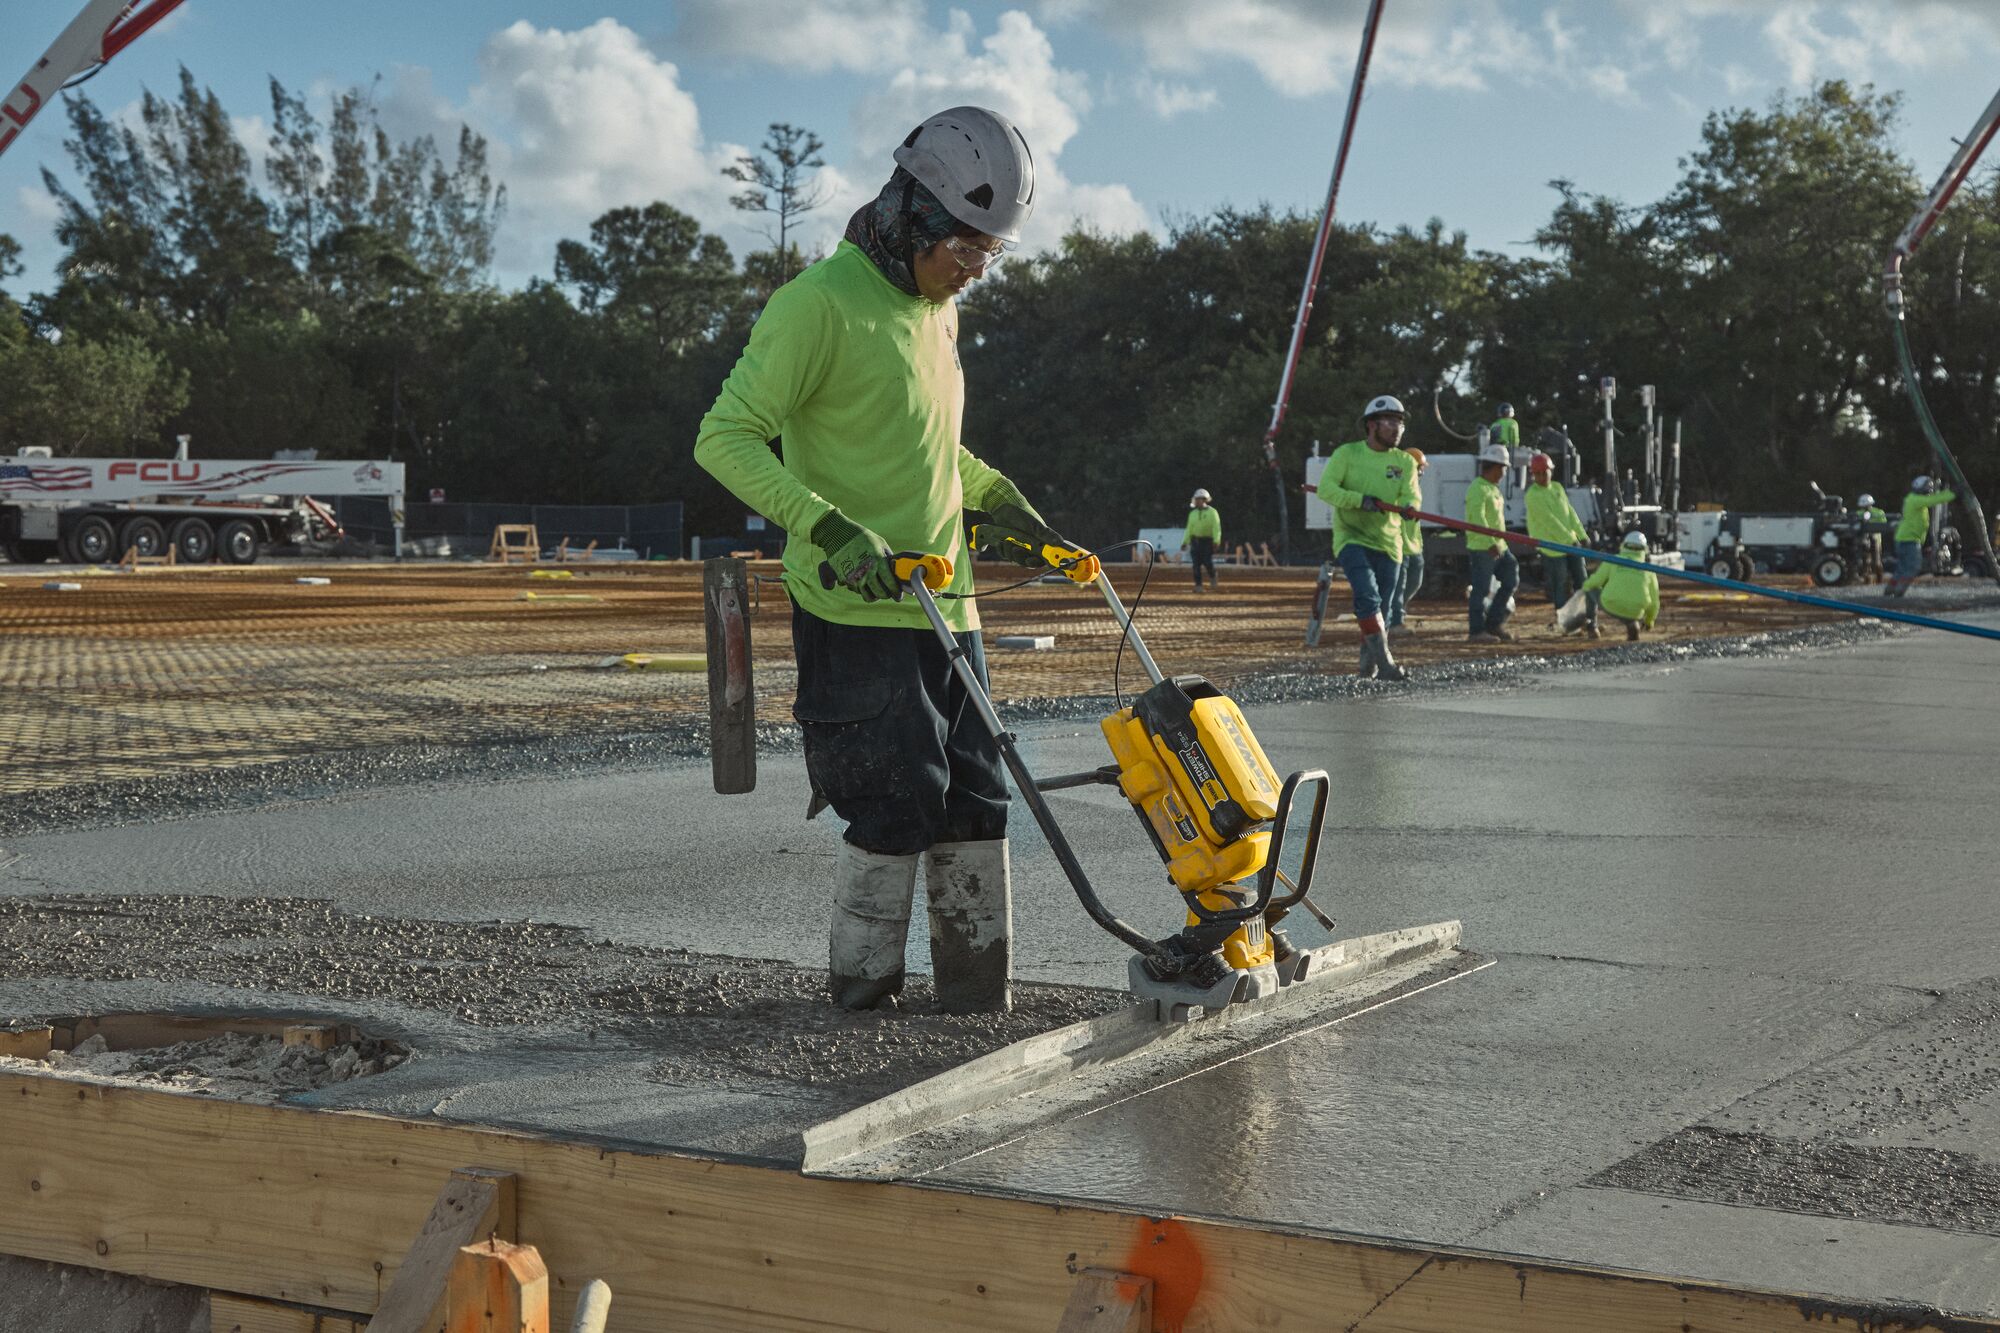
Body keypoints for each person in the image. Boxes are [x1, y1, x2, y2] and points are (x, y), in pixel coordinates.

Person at [694, 105, 1071, 1015]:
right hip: (857, 610)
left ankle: (976, 1005)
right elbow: (725, 437)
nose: (975, 271)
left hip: (954, 608)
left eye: (990, 254)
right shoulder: (816, 307)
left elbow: (934, 450)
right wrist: (824, 527)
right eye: (967, 249)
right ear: (915, 213)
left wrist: (1000, 500)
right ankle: (860, 1009)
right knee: (894, 807)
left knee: (979, 804)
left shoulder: (936, 312)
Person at [1320, 394, 1417, 681]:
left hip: (1389, 543)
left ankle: (1367, 668)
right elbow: (1326, 489)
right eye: (1389, 421)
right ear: (1371, 425)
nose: (1396, 428)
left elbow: (1411, 493)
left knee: (1382, 610)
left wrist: (1411, 507)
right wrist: (1359, 500)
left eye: (1399, 422)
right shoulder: (1346, 454)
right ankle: (1386, 664)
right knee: (1367, 596)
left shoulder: (1405, 462)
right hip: (1351, 537)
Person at [1524, 451, 1597, 638]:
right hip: (1553, 548)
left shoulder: (1557, 488)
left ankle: (1591, 622)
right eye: (1538, 474)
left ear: (1550, 472)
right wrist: (1570, 540)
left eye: (1544, 472)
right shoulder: (1533, 495)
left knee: (1584, 582)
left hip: (1570, 543)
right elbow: (1549, 521)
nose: (1542, 477)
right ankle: (1568, 625)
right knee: (1561, 585)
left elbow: (1569, 513)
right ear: (1533, 475)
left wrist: (1581, 534)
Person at [1465, 441, 1518, 643]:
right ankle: (1476, 631)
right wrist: (1489, 542)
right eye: (1503, 468)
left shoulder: (1493, 489)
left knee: (1511, 580)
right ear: (1494, 467)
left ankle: (1493, 623)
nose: (1504, 473)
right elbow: (1477, 519)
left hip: (1499, 547)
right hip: (1483, 548)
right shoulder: (1477, 488)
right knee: (1481, 589)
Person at [1582, 530, 1660, 640]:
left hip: (1611, 604)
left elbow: (1596, 581)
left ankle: (1591, 627)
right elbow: (1654, 602)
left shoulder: (1613, 560)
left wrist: (1585, 586)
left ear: (1624, 545)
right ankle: (1631, 624)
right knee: (1630, 608)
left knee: (1590, 589)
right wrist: (1649, 621)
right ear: (1644, 549)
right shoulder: (1649, 570)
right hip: (1636, 611)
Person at [1886, 474, 1956, 597]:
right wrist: (1952, 494)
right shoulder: (1916, 500)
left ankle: (1890, 591)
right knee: (1913, 567)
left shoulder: (1912, 499)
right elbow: (1933, 500)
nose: (1930, 491)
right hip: (1909, 539)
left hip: (1903, 538)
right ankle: (1898, 593)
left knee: (1902, 568)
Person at [1385, 447, 1426, 637]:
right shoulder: (1397, 485)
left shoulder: (1414, 489)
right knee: (1398, 584)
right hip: (1398, 543)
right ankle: (1394, 623)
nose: (1421, 472)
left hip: (1413, 545)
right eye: (1420, 468)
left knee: (1414, 581)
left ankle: (1395, 611)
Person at [1181, 488, 1221, 590]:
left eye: (1198, 499)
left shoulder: (1213, 512)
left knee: (1207, 562)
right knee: (1196, 565)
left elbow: (1216, 528)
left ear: (1204, 500)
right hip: (1195, 541)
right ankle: (1198, 585)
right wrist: (1185, 542)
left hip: (1207, 541)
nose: (1196, 501)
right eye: (1196, 499)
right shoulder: (1192, 514)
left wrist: (1216, 541)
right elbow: (1189, 529)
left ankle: (1213, 576)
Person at [1857, 492, 1887, 582]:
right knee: (1865, 561)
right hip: (1863, 540)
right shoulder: (1858, 513)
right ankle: (1867, 581)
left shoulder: (1879, 512)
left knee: (1877, 561)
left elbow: (1884, 524)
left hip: (1875, 539)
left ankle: (1879, 580)